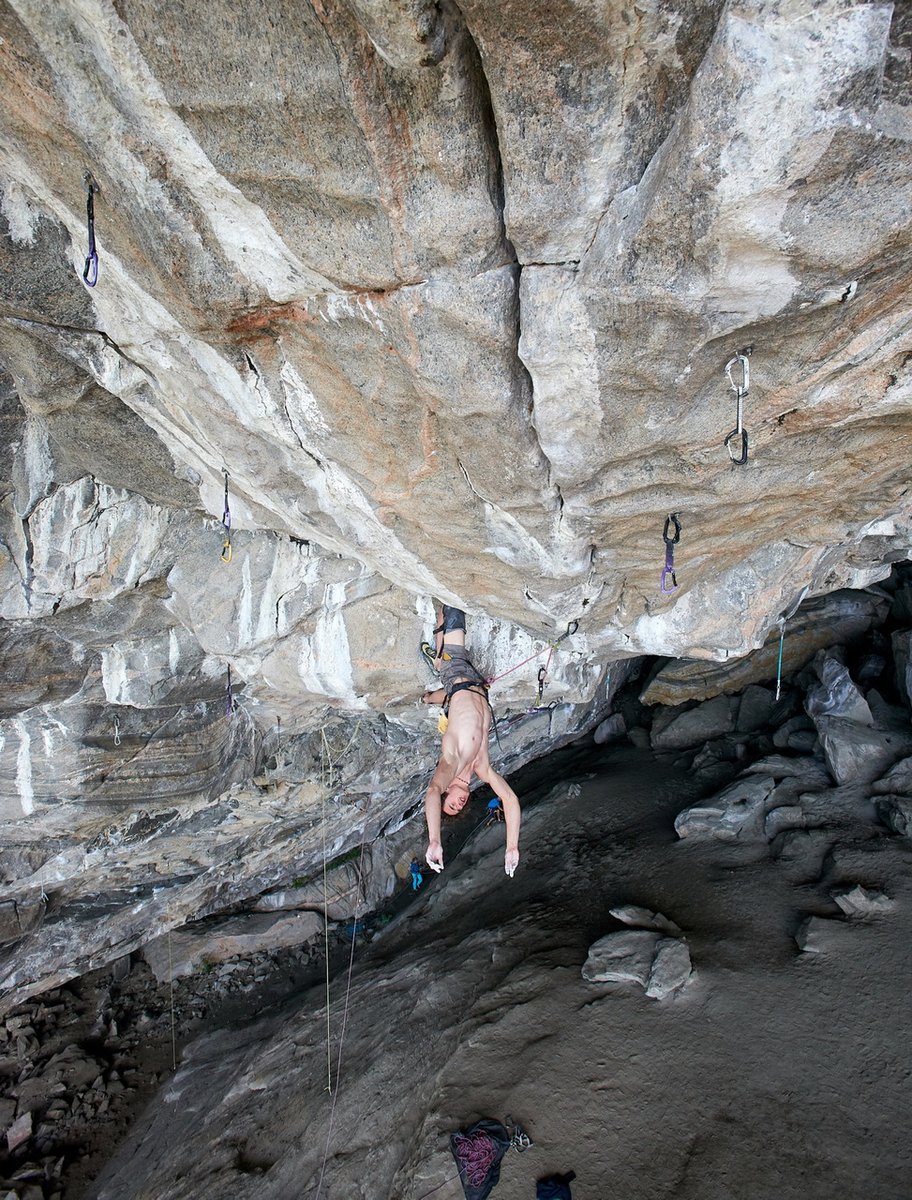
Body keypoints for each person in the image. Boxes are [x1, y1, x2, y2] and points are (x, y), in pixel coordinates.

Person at [421, 604, 521, 877]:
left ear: (447, 792)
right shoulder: (482, 767)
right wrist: (512, 847)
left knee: (453, 610)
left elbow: (431, 792)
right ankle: (430, 691)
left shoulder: (451, 762)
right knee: (442, 671)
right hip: (477, 684)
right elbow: (509, 798)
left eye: (451, 803)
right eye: (460, 807)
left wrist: (434, 840)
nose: (458, 804)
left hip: (456, 675)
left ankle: (440, 622)